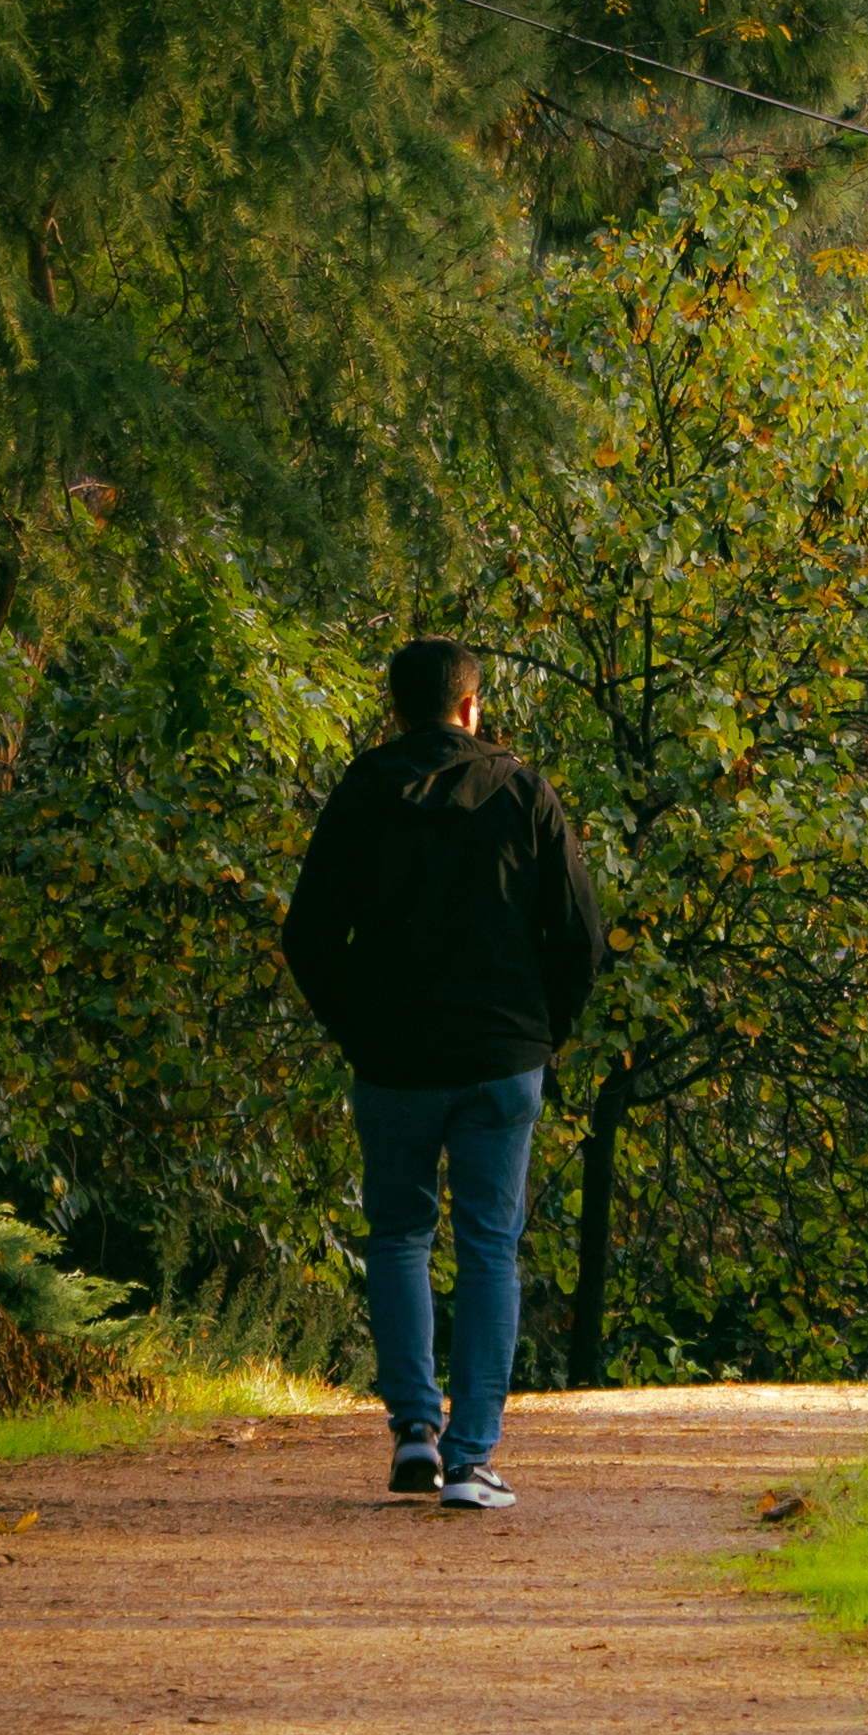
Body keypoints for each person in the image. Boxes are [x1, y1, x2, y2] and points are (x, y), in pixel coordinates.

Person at [277, 636, 604, 1510]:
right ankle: (471, 1460)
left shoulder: (361, 794)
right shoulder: (527, 793)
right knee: (490, 1244)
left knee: (398, 1236)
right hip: (502, 1057)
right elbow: (581, 938)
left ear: (397, 709)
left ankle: (413, 1432)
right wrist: (545, 1034)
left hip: (395, 1059)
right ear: (471, 707)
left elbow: (308, 936)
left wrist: (360, 1030)